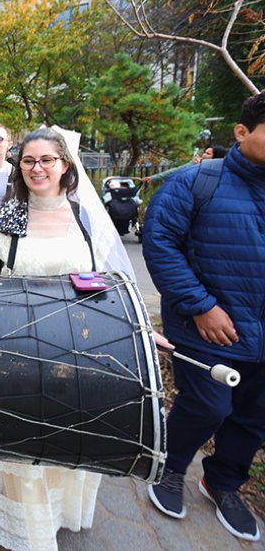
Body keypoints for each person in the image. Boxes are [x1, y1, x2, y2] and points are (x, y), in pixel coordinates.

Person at [0, 127, 139, 551]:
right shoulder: (10, 216)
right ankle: (25, 527)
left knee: (69, 431)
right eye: (28, 161)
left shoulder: (85, 218)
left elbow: (108, 283)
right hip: (18, 348)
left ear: (65, 166)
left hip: (76, 349)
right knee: (20, 436)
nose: (37, 168)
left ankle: (58, 512)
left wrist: (143, 332)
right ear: (18, 165)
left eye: (47, 160)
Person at [142, 92, 265, 542]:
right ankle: (170, 468)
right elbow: (160, 244)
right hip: (206, 328)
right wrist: (201, 306)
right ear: (241, 131)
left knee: (254, 417)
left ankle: (224, 482)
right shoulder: (198, 182)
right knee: (207, 405)